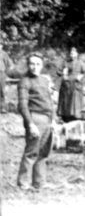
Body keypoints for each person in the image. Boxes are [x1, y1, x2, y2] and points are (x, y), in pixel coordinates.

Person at [17, 53, 56, 190]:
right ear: (28, 65)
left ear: (42, 65)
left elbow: (49, 101)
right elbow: (22, 105)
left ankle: (39, 182)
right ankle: (23, 183)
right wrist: (30, 124)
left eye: (38, 64)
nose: (35, 67)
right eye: (32, 64)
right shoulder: (25, 81)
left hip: (47, 119)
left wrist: (53, 120)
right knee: (31, 152)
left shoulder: (44, 80)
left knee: (44, 152)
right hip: (35, 118)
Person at [57, 47, 85, 123]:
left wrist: (80, 76)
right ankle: (65, 115)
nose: (72, 55)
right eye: (71, 53)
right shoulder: (66, 62)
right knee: (66, 100)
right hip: (67, 84)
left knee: (75, 100)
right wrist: (63, 74)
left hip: (76, 84)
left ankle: (76, 117)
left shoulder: (81, 63)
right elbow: (58, 71)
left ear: (77, 54)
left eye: (73, 53)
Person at [0, 39, 16, 113]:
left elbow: (10, 65)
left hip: (1, 74)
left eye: (0, 44)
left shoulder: (3, 54)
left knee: (1, 91)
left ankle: (3, 108)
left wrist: (6, 73)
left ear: (2, 46)